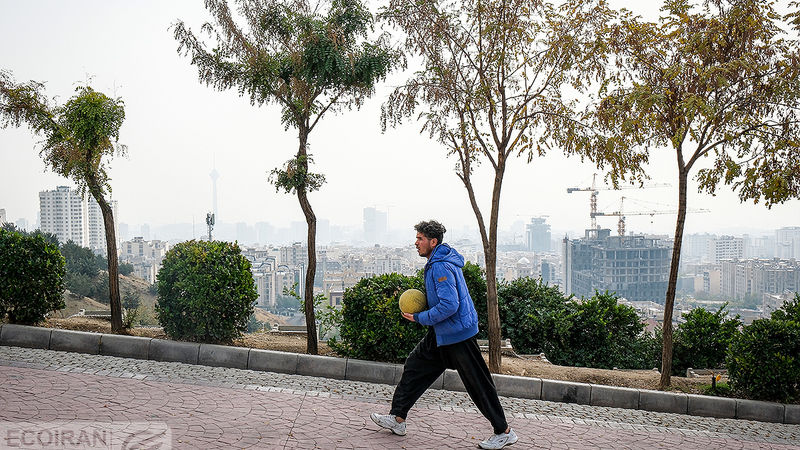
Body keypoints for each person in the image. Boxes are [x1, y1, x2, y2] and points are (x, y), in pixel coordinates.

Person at [370, 220, 518, 449]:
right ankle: (398, 418)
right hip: (441, 334)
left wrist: (420, 317)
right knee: (414, 366)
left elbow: (450, 305)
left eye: (420, 239)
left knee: (478, 384)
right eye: (416, 238)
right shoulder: (438, 261)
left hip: (458, 335)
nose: (416, 243)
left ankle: (504, 432)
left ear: (433, 241)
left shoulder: (440, 265)